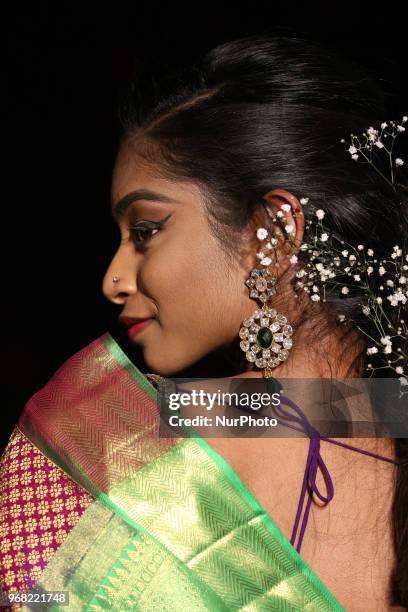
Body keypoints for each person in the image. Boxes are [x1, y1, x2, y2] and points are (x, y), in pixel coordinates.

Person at [0, 34, 407, 611]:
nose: (114, 279)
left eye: (146, 230)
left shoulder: (108, 440)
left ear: (272, 234)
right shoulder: (383, 411)